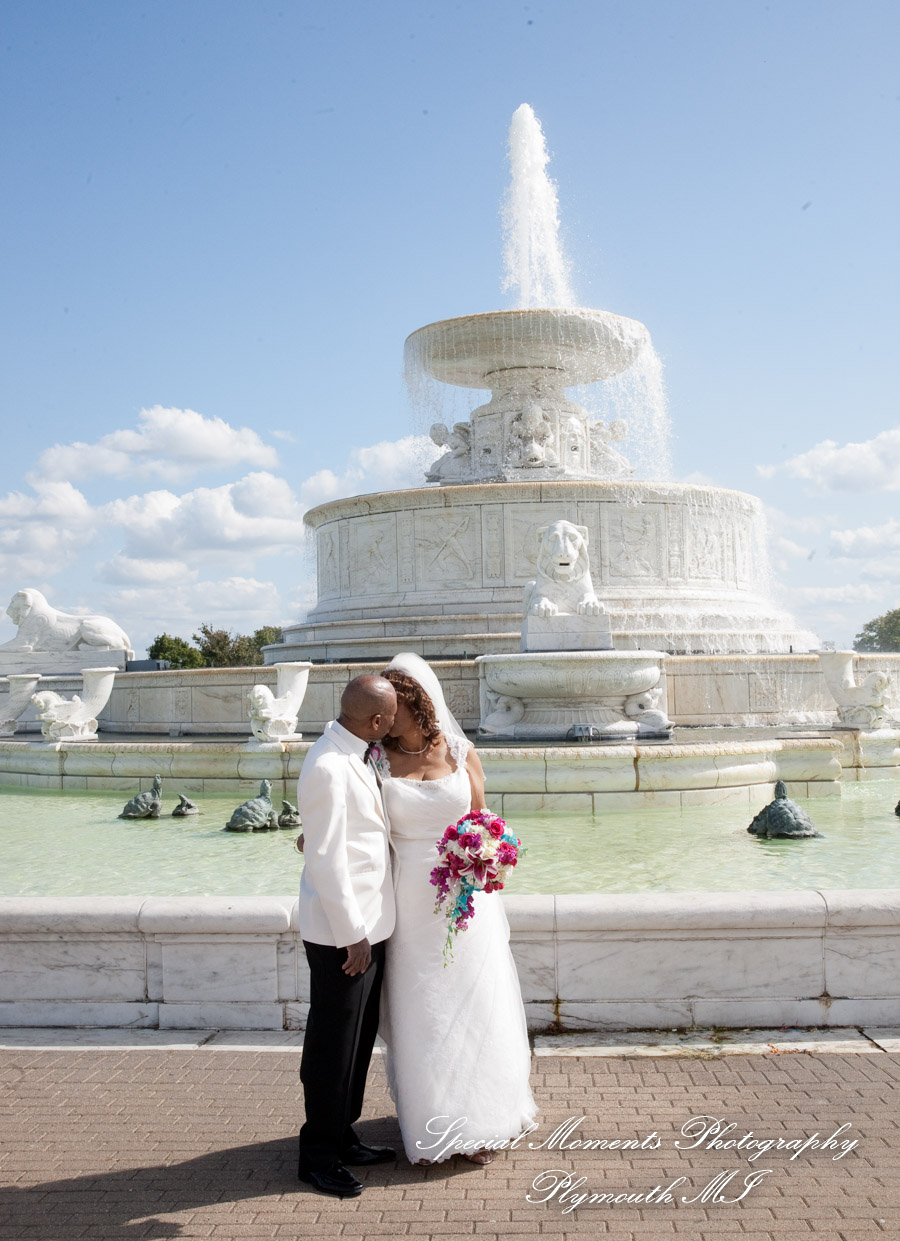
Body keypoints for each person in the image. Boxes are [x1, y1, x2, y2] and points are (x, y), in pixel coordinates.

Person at [377, 652, 537, 1166]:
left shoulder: (461, 750)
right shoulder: (374, 760)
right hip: (409, 901)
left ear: (418, 705)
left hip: (465, 900)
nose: (383, 718)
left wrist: (487, 853)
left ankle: (483, 1118)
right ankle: (432, 1125)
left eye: (393, 707)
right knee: (422, 1007)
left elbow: (484, 816)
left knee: (474, 1003)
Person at [296, 673, 399, 1198]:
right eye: (392, 715)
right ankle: (317, 1154)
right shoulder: (329, 765)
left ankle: (343, 1134)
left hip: (370, 923)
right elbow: (326, 858)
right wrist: (353, 935)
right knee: (333, 1046)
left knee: (357, 1043)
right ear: (377, 721)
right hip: (345, 934)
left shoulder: (355, 752)